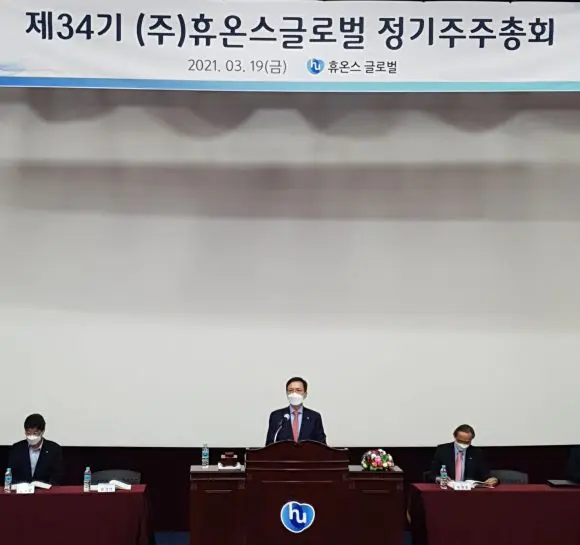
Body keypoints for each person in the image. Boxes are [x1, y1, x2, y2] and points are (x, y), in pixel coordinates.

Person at [428, 424, 498, 487]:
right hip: (448, 490)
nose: (463, 444)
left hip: (470, 491)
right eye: (460, 441)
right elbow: (431, 475)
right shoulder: (442, 450)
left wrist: (494, 480)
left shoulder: (477, 453)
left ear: (471, 439)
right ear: (454, 436)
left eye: (467, 442)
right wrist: (440, 479)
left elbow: (486, 475)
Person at [265, 377, 327, 445]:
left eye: (298, 390)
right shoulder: (276, 416)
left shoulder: (314, 417)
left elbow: (322, 444)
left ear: (305, 394)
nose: (294, 393)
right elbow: (270, 444)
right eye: (291, 390)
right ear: (287, 393)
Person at [7, 413, 64, 485]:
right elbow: (10, 473)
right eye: (28, 433)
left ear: (42, 431)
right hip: (21, 490)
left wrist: (47, 486)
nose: (31, 436)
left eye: (35, 433)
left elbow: (57, 475)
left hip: (45, 490)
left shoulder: (54, 449)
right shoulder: (16, 448)